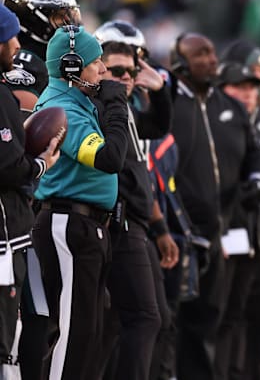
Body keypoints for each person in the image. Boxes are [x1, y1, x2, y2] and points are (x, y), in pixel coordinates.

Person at [32, 25, 129, 380]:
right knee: (73, 334)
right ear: (72, 68)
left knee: (89, 333)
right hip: (69, 223)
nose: (103, 70)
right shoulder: (62, 108)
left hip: (85, 225)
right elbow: (108, 158)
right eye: (97, 62)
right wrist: (117, 106)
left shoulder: (77, 102)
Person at [168, 32, 260, 380]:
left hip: (219, 229)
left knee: (210, 320)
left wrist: (256, 178)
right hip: (177, 234)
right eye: (201, 54)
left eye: (212, 52)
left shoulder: (231, 107)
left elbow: (255, 152)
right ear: (179, 64)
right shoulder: (167, 106)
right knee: (170, 323)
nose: (212, 60)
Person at [3, 0, 82, 379]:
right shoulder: (23, 65)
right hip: (25, 206)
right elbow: (32, 115)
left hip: (35, 201)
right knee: (34, 315)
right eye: (57, 18)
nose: (66, 26)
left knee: (44, 314)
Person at [92, 23, 176, 380]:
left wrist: (158, 92)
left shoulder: (122, 108)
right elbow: (114, 165)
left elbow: (157, 127)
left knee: (121, 323)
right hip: (117, 224)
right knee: (143, 318)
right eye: (116, 71)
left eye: (130, 71)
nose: (125, 77)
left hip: (136, 223)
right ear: (97, 68)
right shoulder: (98, 107)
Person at [0, 3, 60, 373]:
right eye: (10, 35)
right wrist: (42, 163)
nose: (16, 42)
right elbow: (8, 168)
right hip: (6, 238)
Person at [214, 42, 260, 380]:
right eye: (240, 87)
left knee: (246, 313)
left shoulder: (258, 123)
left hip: (254, 234)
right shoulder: (214, 119)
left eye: (253, 87)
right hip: (221, 231)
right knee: (220, 316)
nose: (248, 94)